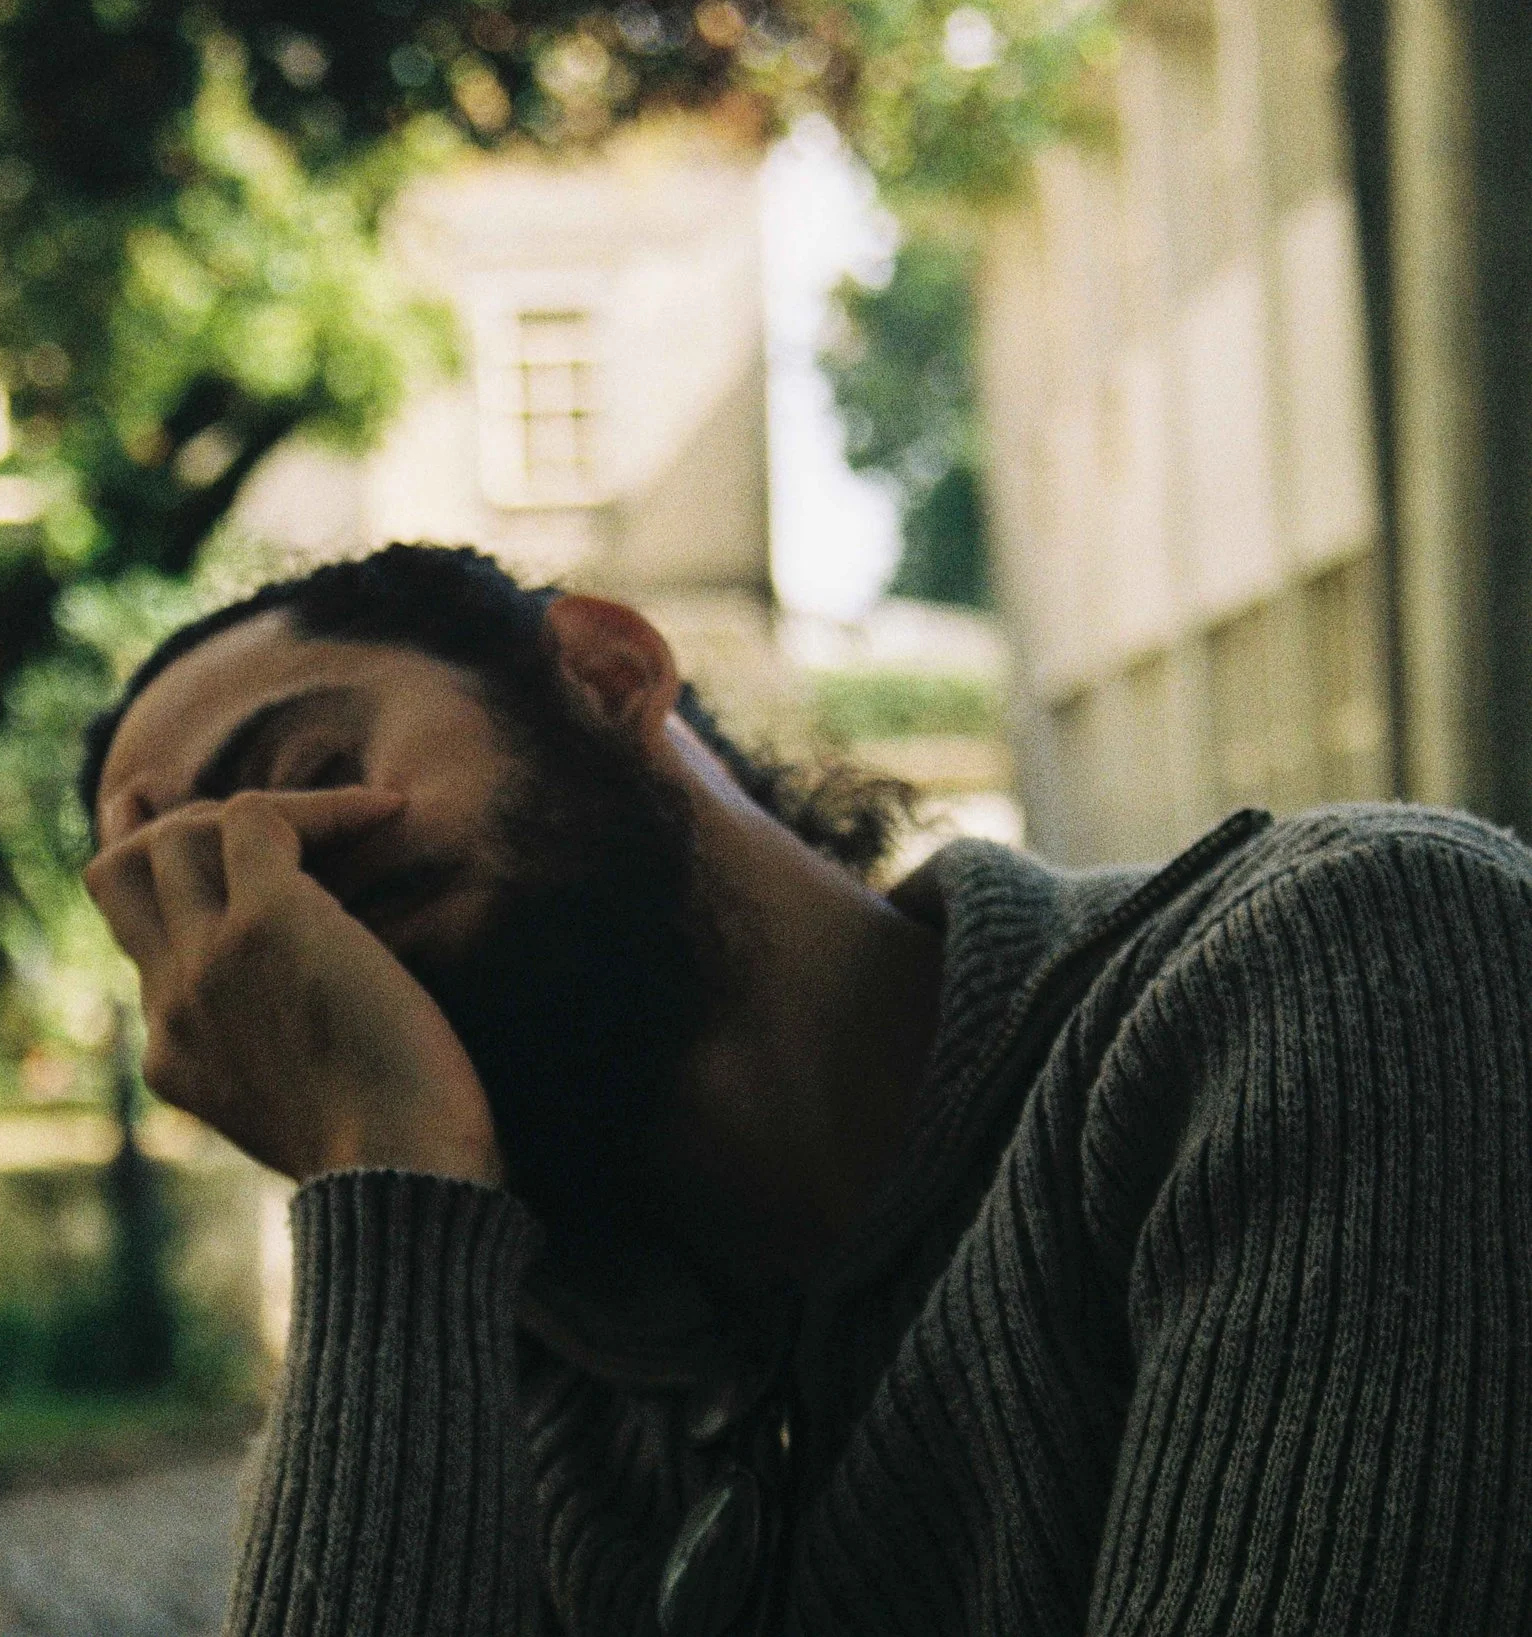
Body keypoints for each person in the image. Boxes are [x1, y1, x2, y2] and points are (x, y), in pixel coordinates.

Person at [78, 544, 1532, 1637]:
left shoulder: (1330, 967)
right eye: (195, 909)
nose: (277, 899)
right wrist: (385, 1192)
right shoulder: (490, 1382)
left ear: (604, 673)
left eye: (309, 769)